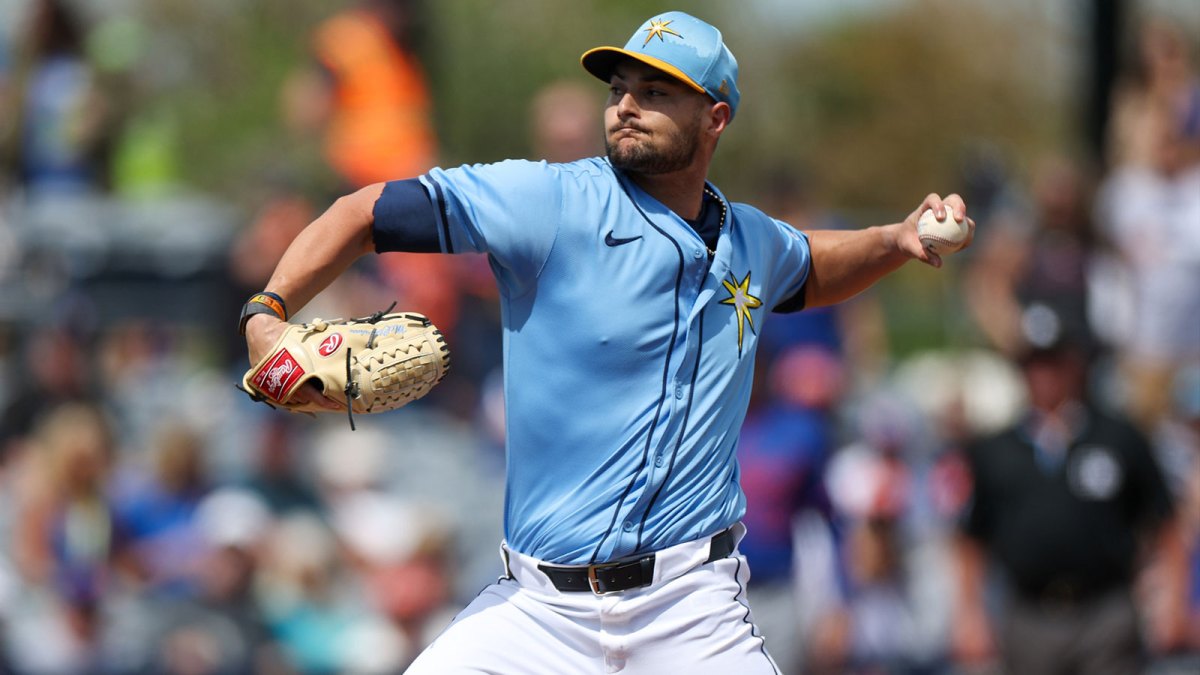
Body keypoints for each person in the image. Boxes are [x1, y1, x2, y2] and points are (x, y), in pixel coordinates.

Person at [240, 12, 972, 672]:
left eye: (656, 91)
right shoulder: (546, 201)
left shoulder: (752, 240)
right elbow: (365, 210)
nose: (626, 103)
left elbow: (813, 266)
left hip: (692, 609)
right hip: (535, 613)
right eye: (620, 86)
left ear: (714, 117)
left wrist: (895, 238)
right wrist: (267, 310)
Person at [952, 303, 1189, 675]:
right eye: (1034, 363)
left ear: (1074, 363)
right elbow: (971, 537)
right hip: (1028, 615)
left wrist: (1173, 601)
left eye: (1053, 361)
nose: (1044, 374)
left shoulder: (1118, 437)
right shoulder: (995, 450)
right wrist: (970, 614)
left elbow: (1165, 521)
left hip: (1105, 613)